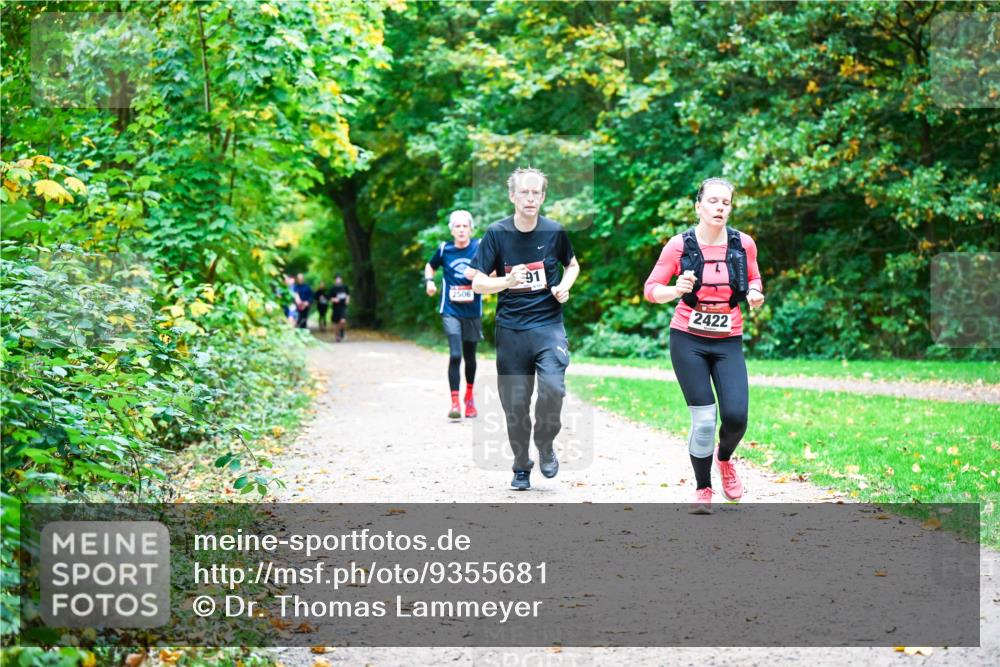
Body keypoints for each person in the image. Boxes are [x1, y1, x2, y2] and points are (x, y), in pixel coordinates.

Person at [643, 177, 765, 514]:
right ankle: (703, 488)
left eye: (725, 203)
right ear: (698, 206)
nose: (720, 208)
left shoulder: (744, 244)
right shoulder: (679, 245)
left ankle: (724, 459)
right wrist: (676, 290)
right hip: (688, 338)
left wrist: (755, 294)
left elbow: (753, 277)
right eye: (713, 201)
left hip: (728, 339)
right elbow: (651, 289)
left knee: (737, 418)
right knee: (705, 420)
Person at [470, 167, 580, 491]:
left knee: (554, 390)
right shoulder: (497, 233)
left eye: (536, 193)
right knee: (515, 405)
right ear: (512, 196)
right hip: (511, 331)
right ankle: (521, 463)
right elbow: (477, 283)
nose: (530, 198)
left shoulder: (554, 231)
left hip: (548, 326)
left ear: (543, 197)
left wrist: (565, 287)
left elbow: (572, 265)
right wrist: (506, 281)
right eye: (524, 192)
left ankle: (545, 443)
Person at [425, 210, 483, 420]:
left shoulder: (479, 247)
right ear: (452, 230)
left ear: (470, 229)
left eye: (464, 226)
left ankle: (469, 398)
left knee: (470, 357)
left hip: (472, 310)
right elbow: (430, 267)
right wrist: (429, 282)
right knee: (456, 354)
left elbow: (496, 272)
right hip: (450, 309)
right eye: (457, 226)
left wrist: (477, 273)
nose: (461, 230)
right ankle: (454, 402)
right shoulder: (444, 249)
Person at [329, 274, 350, 342]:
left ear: (341, 280)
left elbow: (348, 295)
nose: (338, 280)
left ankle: (340, 331)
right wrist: (334, 299)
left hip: (343, 307)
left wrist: (347, 300)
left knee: (343, 321)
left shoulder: (345, 287)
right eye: (337, 279)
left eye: (339, 279)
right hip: (336, 307)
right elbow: (329, 298)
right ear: (335, 280)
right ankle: (337, 336)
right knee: (336, 322)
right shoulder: (333, 288)